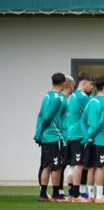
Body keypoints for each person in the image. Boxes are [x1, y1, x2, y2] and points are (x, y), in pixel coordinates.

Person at [34, 72, 68, 202]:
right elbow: (47, 117)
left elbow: (40, 115)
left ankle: (43, 194)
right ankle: (55, 194)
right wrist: (42, 129)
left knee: (47, 165)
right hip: (54, 136)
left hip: (45, 136)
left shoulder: (46, 96)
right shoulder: (57, 98)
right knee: (56, 166)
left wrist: (39, 134)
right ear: (63, 83)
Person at [81, 77, 104, 203]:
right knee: (101, 167)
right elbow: (101, 123)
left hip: (89, 139)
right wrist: (91, 136)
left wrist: (86, 136)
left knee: (90, 167)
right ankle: (99, 197)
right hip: (101, 139)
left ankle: (90, 196)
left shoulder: (90, 101)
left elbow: (82, 122)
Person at [65, 72, 94, 201]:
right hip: (78, 135)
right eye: (91, 84)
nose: (92, 87)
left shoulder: (71, 96)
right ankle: (76, 195)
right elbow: (92, 114)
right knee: (79, 164)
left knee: (73, 165)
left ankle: (71, 193)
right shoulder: (83, 97)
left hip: (70, 134)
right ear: (84, 82)